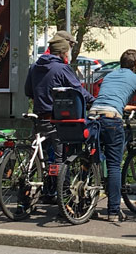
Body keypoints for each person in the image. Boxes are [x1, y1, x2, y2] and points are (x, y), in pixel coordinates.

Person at [24, 30, 95, 199]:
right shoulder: (62, 68)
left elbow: (28, 91)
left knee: (37, 157)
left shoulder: (34, 67)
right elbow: (78, 91)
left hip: (38, 118)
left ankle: (32, 191)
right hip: (57, 120)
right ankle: (63, 197)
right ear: (64, 52)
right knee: (60, 159)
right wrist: (94, 101)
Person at [88, 49, 136, 222]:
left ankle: (85, 203)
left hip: (94, 115)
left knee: (92, 159)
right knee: (114, 165)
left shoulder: (109, 75)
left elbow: (110, 100)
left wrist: (131, 108)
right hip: (112, 121)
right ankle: (113, 212)